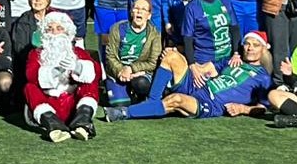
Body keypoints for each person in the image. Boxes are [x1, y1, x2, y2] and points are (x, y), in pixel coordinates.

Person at [108, 31, 273, 121]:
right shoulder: (233, 60)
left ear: (264, 49)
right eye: (247, 44)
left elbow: (263, 107)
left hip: (210, 103)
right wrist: (195, 69)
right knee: (172, 56)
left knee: (176, 100)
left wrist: (243, 109)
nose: (250, 48)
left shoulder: (263, 78)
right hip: (200, 85)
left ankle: (124, 113)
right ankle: (152, 102)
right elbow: (209, 68)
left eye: (255, 45)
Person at [23, 10, 100, 142]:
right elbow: (31, 75)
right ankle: (54, 126)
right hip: (50, 103)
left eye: (59, 29)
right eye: (50, 29)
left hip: (74, 105)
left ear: (67, 32)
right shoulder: (36, 54)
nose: (54, 33)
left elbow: (96, 73)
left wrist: (77, 67)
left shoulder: (78, 52)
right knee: (29, 87)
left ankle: (82, 123)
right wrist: (54, 72)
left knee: (89, 81)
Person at [102, 0, 161, 107]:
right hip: (119, 72)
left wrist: (132, 69)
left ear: (148, 15)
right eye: (136, 8)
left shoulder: (154, 34)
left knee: (141, 84)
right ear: (131, 12)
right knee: (119, 104)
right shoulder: (117, 28)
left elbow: (153, 62)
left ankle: (140, 95)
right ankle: (119, 90)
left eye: (143, 9)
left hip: (139, 74)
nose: (139, 12)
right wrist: (120, 70)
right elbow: (110, 56)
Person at [11, 0, 53, 70]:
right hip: (30, 64)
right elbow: (20, 49)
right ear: (30, 0)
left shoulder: (56, 18)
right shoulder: (23, 22)